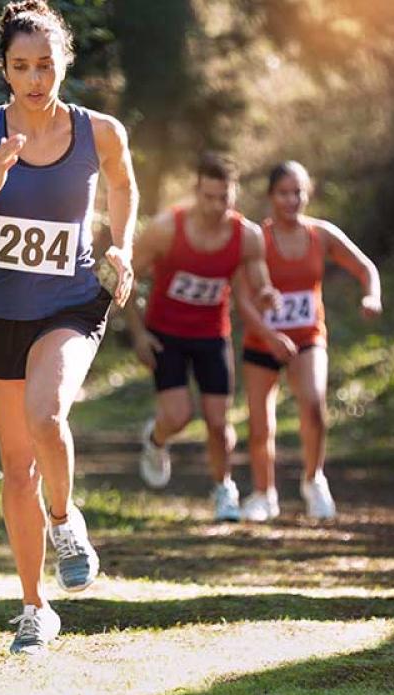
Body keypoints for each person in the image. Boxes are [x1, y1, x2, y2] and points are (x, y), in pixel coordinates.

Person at [0, 0, 138, 654]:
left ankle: (65, 521)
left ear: (64, 63)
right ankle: (33, 607)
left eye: (46, 64)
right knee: (17, 467)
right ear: (4, 68)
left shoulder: (99, 131)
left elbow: (125, 188)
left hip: (71, 303)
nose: (35, 78)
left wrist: (121, 246)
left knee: (49, 416)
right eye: (21, 66)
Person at [124, 152, 280, 521]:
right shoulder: (166, 228)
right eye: (208, 197)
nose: (215, 205)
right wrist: (138, 334)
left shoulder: (248, 236)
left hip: (212, 335)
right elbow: (125, 279)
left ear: (234, 194)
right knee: (178, 416)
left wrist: (267, 294)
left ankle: (224, 489)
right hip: (166, 335)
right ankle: (155, 440)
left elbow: (261, 283)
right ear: (196, 192)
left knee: (218, 422)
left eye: (223, 197)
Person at [236, 161, 381, 522]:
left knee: (314, 406)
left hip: (308, 337)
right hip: (261, 340)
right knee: (260, 425)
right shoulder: (256, 238)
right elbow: (240, 298)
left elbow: (366, 268)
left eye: (298, 192)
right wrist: (269, 336)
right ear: (271, 196)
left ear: (308, 193)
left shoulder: (322, 234)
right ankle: (263, 494)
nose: (291, 200)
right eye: (283, 193)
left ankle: (314, 480)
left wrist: (372, 296)